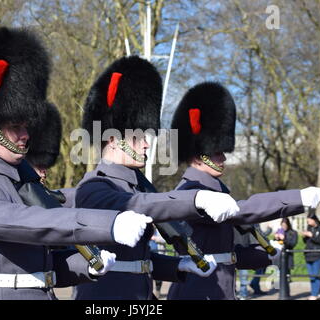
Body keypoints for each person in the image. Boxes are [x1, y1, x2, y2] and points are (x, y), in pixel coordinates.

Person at [0, 27, 152, 300]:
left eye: (26, 126)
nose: (25, 135)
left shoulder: (24, 185)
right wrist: (108, 223)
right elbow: (20, 221)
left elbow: (43, 266)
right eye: (15, 126)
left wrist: (88, 264)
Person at [73, 56, 241, 300]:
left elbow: (139, 261)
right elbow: (139, 204)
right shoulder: (93, 186)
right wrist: (195, 199)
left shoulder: (135, 185)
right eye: (138, 138)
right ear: (113, 140)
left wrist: (177, 267)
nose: (146, 145)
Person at [166, 81, 320, 300]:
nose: (223, 158)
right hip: (199, 291)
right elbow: (243, 210)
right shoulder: (191, 190)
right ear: (198, 156)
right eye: (216, 153)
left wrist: (265, 257)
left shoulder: (215, 191)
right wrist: (296, 198)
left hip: (218, 288)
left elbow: (227, 254)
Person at [300, 212, 320, 300]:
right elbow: (306, 242)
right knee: (311, 276)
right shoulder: (309, 228)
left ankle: (314, 294)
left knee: (315, 274)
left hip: (317, 254)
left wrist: (311, 235)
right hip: (308, 254)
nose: (308, 222)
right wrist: (304, 236)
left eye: (309, 220)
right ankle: (316, 292)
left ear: (314, 220)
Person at [274, 217, 298, 297]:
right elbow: (275, 244)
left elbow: (293, 244)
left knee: (287, 277)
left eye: (285, 225)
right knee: (279, 277)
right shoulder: (279, 231)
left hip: (288, 258)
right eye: (282, 225)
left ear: (288, 225)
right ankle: (281, 294)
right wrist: (276, 238)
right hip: (279, 257)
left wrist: (285, 238)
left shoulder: (293, 232)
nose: (283, 226)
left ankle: (287, 294)